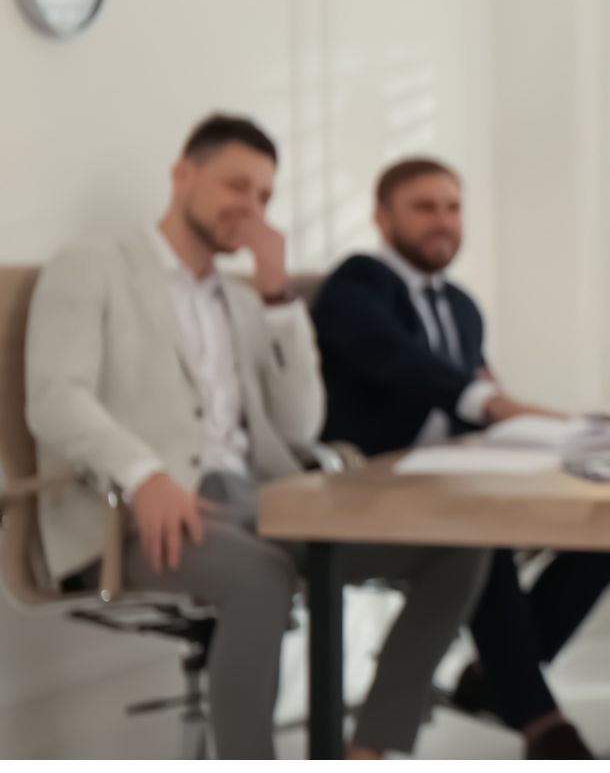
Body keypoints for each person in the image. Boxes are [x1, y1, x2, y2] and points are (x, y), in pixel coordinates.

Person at [25, 114, 488, 760]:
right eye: (236, 186)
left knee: (458, 549)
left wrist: (276, 297)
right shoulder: (93, 267)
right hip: (129, 513)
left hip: (253, 500)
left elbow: (301, 426)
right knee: (261, 577)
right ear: (183, 176)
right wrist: (144, 474)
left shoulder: (243, 300)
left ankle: (371, 747)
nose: (250, 207)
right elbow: (55, 397)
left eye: (265, 195)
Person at [311, 157, 610, 760]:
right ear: (383, 217)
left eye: (453, 208)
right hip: (378, 489)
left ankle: (500, 674)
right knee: (477, 535)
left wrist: (546, 434)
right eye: (424, 207)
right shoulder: (357, 285)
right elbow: (399, 361)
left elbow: (475, 397)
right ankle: (540, 722)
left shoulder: (461, 305)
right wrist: (493, 402)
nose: (443, 222)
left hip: (462, 474)